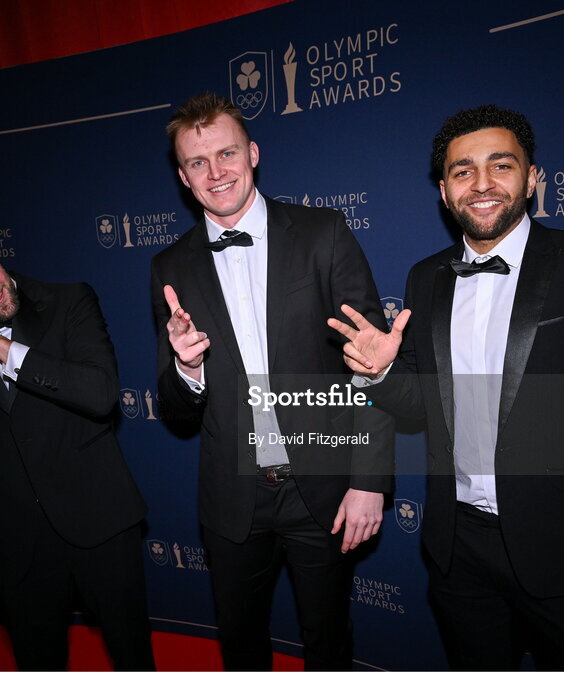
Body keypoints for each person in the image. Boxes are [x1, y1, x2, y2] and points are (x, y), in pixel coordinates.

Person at [328, 104, 564, 670]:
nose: (481, 184)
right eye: (463, 171)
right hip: (458, 550)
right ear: (443, 190)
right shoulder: (424, 276)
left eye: (500, 165)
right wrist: (383, 374)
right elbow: (420, 410)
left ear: (532, 178)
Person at [150, 93, 393, 670]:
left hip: (324, 489)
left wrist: (370, 479)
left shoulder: (323, 233)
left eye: (227, 152)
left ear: (253, 153)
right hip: (232, 498)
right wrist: (187, 368)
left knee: (329, 642)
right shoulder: (169, 266)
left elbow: (375, 363)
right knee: (241, 646)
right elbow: (177, 412)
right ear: (183, 178)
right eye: (197, 163)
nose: (216, 172)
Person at [0, 216, 154, 671]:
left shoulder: (68, 300)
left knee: (133, 658)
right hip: (18, 546)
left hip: (102, 524)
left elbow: (99, 395)